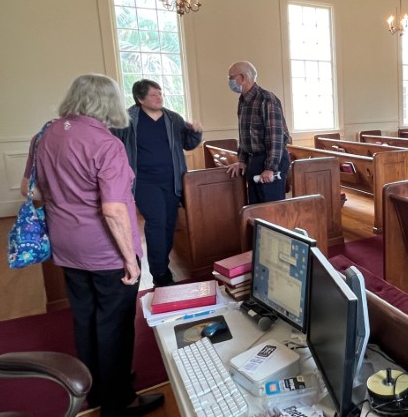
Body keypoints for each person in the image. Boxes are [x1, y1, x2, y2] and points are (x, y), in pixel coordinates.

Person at [21, 74, 163, 416]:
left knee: (85, 319)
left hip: (66, 245)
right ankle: (119, 401)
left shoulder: (45, 135)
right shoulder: (105, 144)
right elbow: (113, 210)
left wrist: (64, 199)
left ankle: (97, 389)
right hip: (105, 250)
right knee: (115, 325)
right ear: (109, 103)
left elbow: (30, 190)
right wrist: (130, 260)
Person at [111, 79, 203, 287]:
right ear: (140, 98)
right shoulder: (127, 119)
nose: (159, 97)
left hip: (172, 181)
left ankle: (162, 264)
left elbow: (188, 144)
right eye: (153, 94)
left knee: (169, 224)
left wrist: (196, 132)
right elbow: (112, 145)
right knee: (157, 222)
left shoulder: (173, 118)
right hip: (144, 183)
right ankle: (160, 273)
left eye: (160, 93)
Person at [225, 61, 291, 204]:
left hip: (270, 160)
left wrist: (270, 168)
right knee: (256, 208)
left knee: (270, 208)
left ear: (242, 78)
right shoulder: (243, 101)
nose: (229, 81)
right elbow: (244, 136)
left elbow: (276, 138)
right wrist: (241, 160)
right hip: (253, 160)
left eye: (231, 77)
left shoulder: (266, 99)